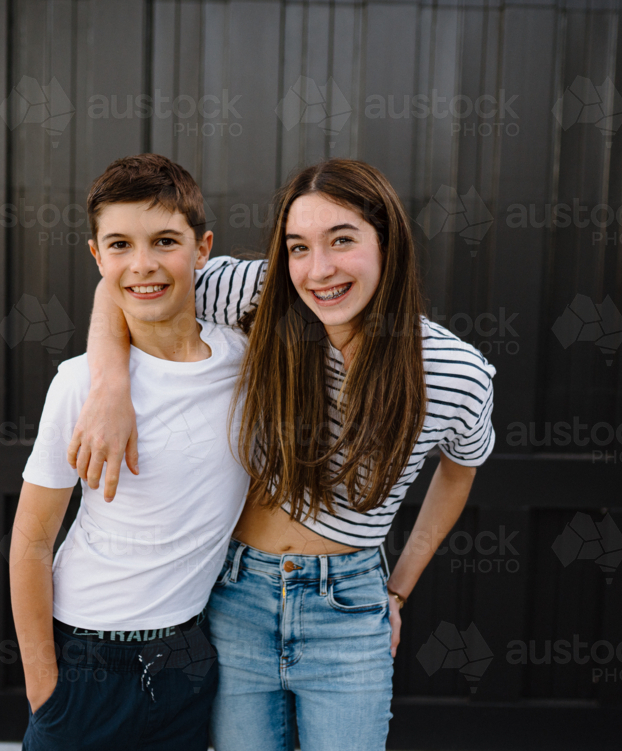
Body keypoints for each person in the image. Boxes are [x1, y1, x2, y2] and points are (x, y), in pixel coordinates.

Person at [70, 158, 496, 751]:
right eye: (298, 247)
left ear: (387, 243)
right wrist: (110, 386)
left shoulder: (455, 372)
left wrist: (397, 590)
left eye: (342, 240)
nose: (318, 270)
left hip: (346, 612)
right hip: (234, 597)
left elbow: (460, 469)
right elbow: (125, 282)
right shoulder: (261, 293)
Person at [10, 153, 250, 751]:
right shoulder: (80, 384)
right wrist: (46, 693)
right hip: (89, 658)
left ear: (202, 249)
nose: (143, 265)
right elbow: (32, 541)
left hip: (191, 659)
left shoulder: (246, 363)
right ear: (97, 257)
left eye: (165, 240)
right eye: (119, 244)